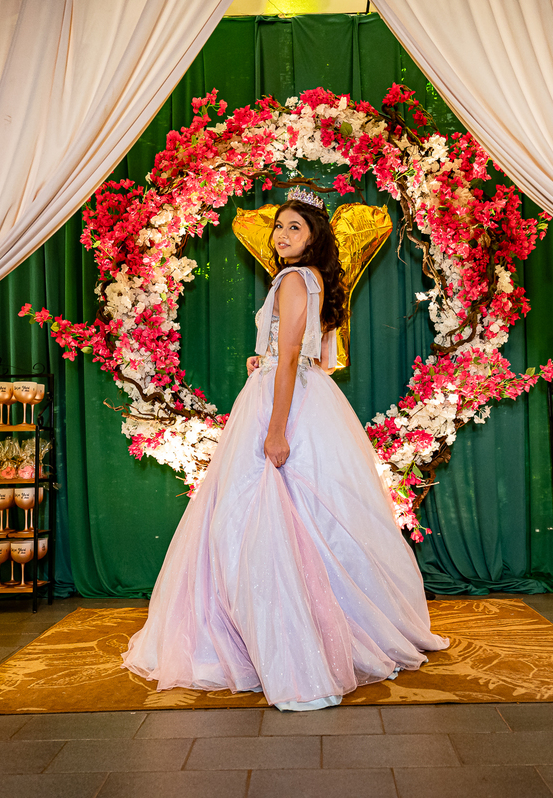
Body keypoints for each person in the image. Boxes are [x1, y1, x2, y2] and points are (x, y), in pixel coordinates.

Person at [122, 187, 447, 711]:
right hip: (303, 393)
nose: (283, 235)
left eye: (295, 227)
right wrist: (266, 361)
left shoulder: (295, 279)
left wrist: (276, 428)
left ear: (315, 236)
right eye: (279, 227)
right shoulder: (313, 281)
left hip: (285, 404)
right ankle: (330, 625)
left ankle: (286, 642)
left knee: (263, 515)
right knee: (312, 517)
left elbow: (293, 354)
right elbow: (309, 354)